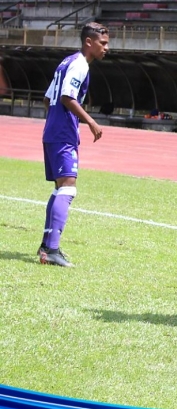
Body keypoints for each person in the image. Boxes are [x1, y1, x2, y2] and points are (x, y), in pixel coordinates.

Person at [38, 23, 109, 267]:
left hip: (54, 131)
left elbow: (48, 99)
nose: (106, 48)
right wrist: (90, 121)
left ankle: (47, 246)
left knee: (61, 188)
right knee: (68, 187)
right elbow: (66, 96)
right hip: (62, 135)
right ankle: (52, 248)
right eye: (103, 43)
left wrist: (57, 122)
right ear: (89, 42)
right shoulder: (79, 64)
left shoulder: (66, 62)